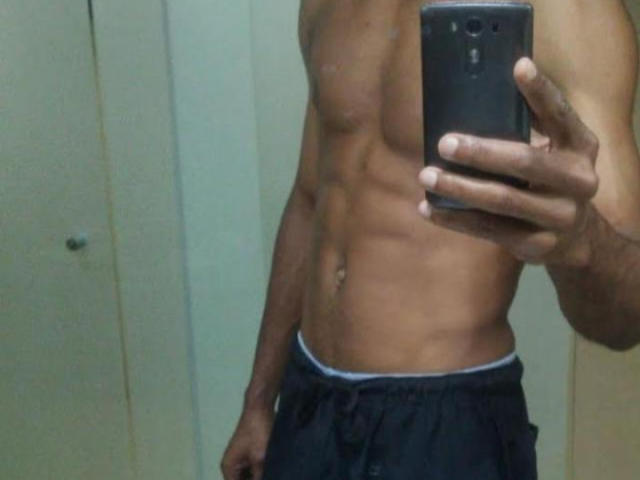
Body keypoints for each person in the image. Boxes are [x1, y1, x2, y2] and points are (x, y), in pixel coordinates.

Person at [222, 1, 640, 479]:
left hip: (449, 417)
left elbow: (626, 317)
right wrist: (260, 399)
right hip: (308, 400)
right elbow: (309, 198)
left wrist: (582, 242)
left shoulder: (571, 13)